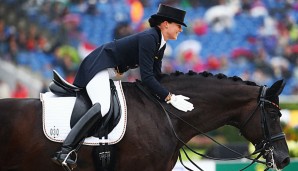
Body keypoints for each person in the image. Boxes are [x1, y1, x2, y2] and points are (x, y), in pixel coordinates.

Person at [51, 4, 194, 168]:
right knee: (103, 106)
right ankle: (65, 150)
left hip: (111, 72)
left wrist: (175, 92)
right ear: (166, 24)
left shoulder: (160, 43)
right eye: (178, 26)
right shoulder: (150, 38)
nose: (180, 30)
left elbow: (156, 76)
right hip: (99, 67)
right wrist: (169, 97)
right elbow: (147, 78)